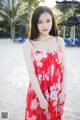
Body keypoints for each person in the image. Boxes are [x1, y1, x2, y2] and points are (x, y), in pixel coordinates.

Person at [23, 6, 67, 120]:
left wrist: (63, 91)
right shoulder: (28, 45)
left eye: (48, 21)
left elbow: (64, 67)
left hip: (56, 91)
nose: (45, 25)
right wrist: (41, 98)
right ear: (34, 23)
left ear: (52, 21)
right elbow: (31, 73)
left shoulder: (59, 41)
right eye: (40, 22)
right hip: (38, 91)